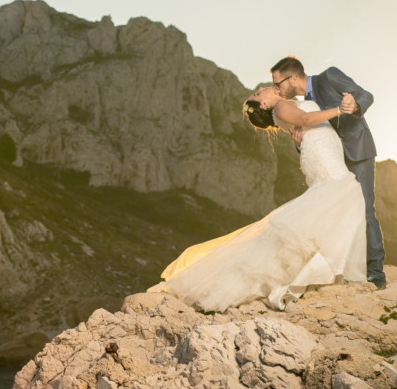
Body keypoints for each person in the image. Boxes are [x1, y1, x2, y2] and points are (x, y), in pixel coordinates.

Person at [148, 87, 366, 311]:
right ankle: (321, 273)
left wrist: (300, 139)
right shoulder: (280, 106)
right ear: (264, 105)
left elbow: (305, 125)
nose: (261, 89)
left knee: (335, 203)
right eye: (258, 94)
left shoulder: (285, 106)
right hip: (324, 159)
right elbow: (307, 119)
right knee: (343, 195)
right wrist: (340, 109)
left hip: (322, 153)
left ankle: (323, 273)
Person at [271, 56, 386, 289]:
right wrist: (299, 142)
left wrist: (355, 105)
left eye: (278, 83)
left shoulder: (329, 76)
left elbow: (365, 95)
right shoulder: (300, 105)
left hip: (356, 152)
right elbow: (315, 135)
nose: (277, 89)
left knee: (364, 209)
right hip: (332, 160)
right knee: (338, 214)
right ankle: (345, 267)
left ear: (292, 77)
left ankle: (375, 273)